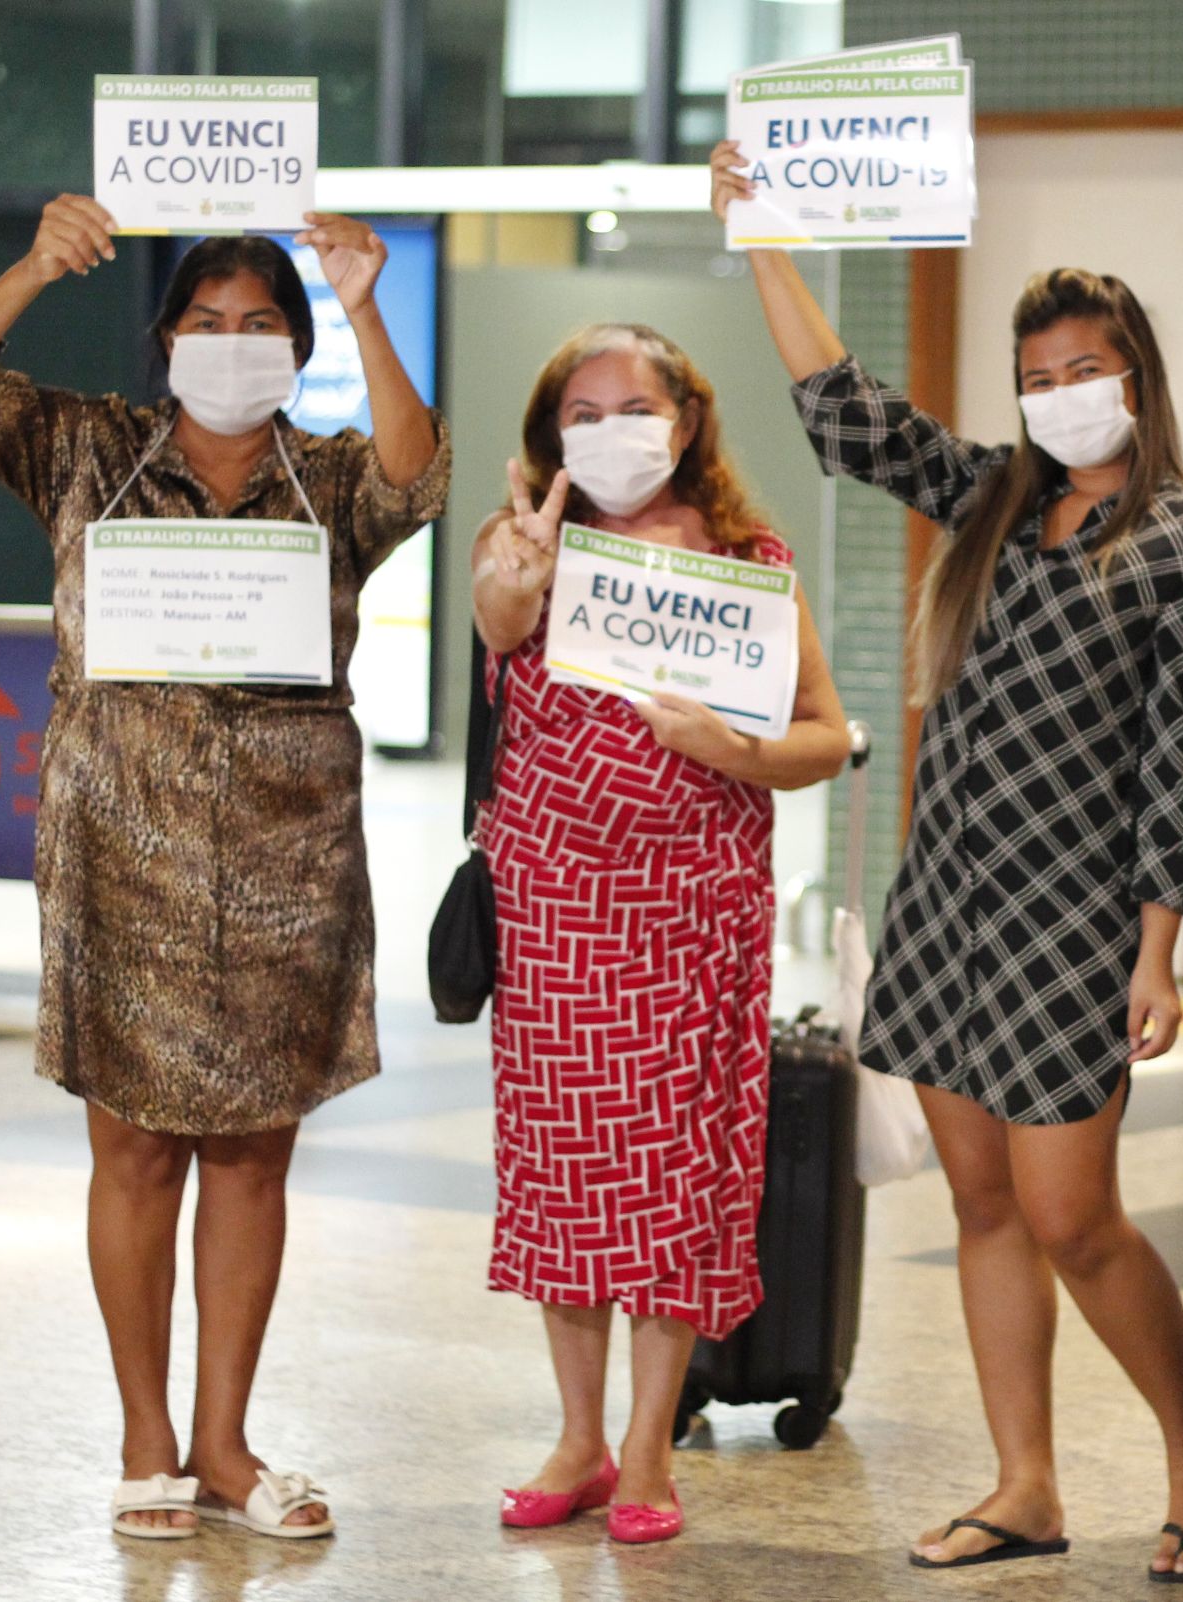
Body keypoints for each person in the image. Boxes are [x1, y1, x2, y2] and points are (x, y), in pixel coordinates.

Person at [714, 144, 1183, 1582]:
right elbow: (850, 419)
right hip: (945, 900)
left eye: (1086, 365)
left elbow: (1174, 760)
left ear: (1134, 375)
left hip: (1074, 920)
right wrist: (765, 235)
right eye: (1039, 372)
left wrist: (1159, 948)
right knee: (985, 1205)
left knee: (1078, 1217)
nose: (1061, 391)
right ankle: (1028, 1482)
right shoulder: (999, 501)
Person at [0, 198, 450, 1538]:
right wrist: (34, 263)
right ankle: (147, 1441)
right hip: (116, 856)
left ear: (300, 348)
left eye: (263, 326)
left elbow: (420, 479)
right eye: (208, 322)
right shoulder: (90, 449)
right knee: (135, 1153)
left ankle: (227, 1446)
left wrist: (364, 300)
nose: (233, 343)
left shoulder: (329, 482)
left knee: (255, 1161)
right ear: (166, 338)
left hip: (285, 868)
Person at [473, 321, 851, 1546]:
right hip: (555, 912)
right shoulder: (533, 546)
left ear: (684, 422)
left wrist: (735, 751)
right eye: (577, 412)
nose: (604, 431)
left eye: (627, 406)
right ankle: (577, 1439)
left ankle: (648, 1453)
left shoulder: (750, 563)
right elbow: (491, 623)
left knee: (678, 1182)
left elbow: (824, 734)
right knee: (565, 1180)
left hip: (693, 913)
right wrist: (519, 570)